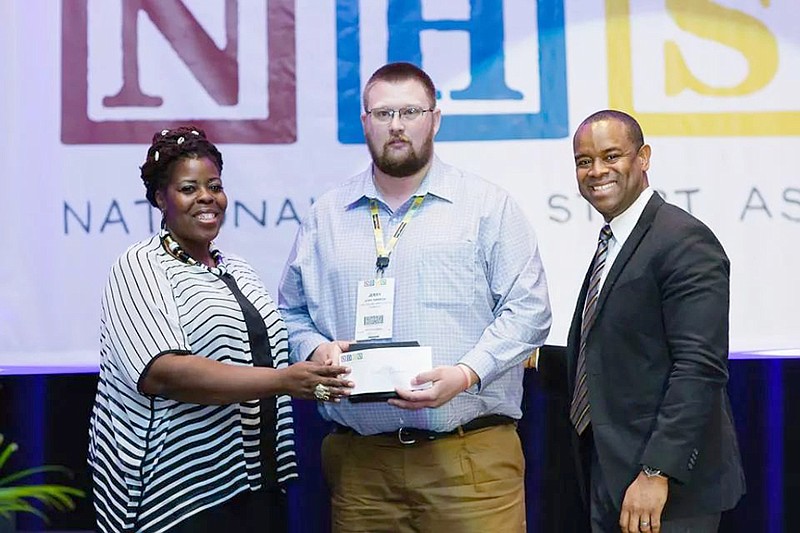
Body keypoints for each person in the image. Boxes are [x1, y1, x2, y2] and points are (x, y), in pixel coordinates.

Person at [278, 62, 551, 532]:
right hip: (362, 468)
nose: (397, 126)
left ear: (436, 119)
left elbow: (530, 311)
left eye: (410, 111)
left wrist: (466, 374)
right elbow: (290, 313)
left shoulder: (487, 206)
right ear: (364, 122)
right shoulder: (326, 217)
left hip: (470, 463)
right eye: (383, 114)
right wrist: (313, 349)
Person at [87, 126, 353, 533]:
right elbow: (163, 372)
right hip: (178, 493)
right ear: (161, 198)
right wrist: (283, 381)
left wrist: (319, 352)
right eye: (189, 188)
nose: (206, 197)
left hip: (256, 481)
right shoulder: (141, 265)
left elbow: (270, 345)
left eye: (214, 185)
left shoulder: (237, 269)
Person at [537, 110, 745, 532]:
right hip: (611, 476)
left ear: (644, 157)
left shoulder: (683, 240)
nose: (597, 171)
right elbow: (623, 357)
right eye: (584, 161)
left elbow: (699, 369)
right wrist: (532, 359)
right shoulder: (615, 239)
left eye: (612, 156)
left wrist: (657, 472)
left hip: (666, 492)